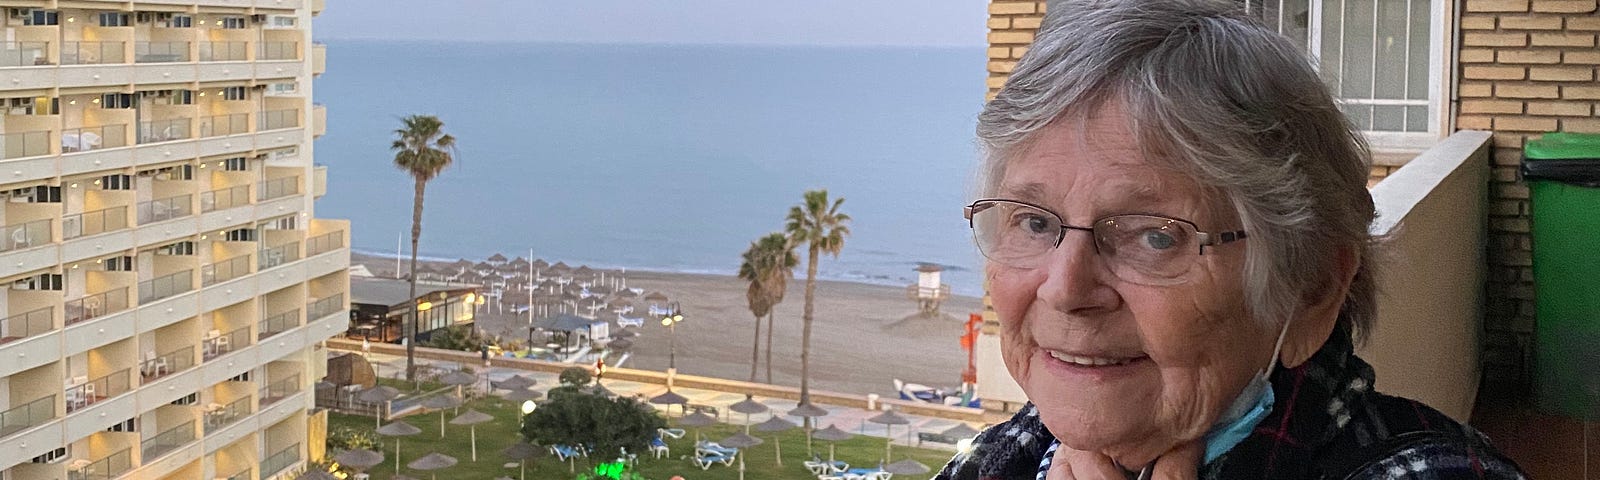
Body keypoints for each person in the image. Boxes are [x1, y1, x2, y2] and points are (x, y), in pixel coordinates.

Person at [935, 1, 1527, 479]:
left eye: (1155, 237)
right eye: (1036, 222)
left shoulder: (1432, 472)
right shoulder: (1003, 456)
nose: (1065, 289)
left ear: (1310, 289)